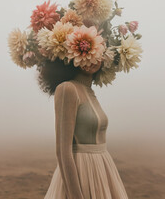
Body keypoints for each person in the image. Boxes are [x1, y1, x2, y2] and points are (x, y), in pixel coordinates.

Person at [37, 58, 129, 199]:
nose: (93, 59)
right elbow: (62, 151)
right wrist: (75, 195)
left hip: (103, 170)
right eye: (85, 52)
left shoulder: (88, 91)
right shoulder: (67, 88)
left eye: (97, 53)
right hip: (81, 171)